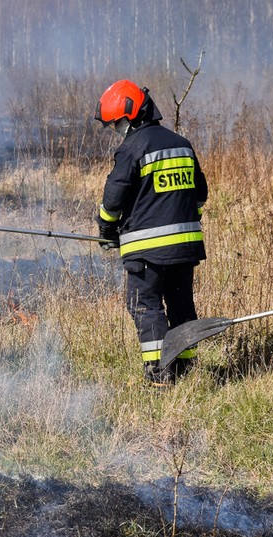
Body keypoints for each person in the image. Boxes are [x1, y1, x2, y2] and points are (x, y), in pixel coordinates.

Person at [94, 79, 208, 387]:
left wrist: (106, 228)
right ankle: (186, 368)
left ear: (130, 117)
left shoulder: (132, 147)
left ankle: (160, 374)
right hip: (185, 249)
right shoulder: (182, 143)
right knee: (182, 304)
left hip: (148, 251)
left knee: (145, 305)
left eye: (115, 123)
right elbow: (200, 194)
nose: (114, 129)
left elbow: (113, 199)